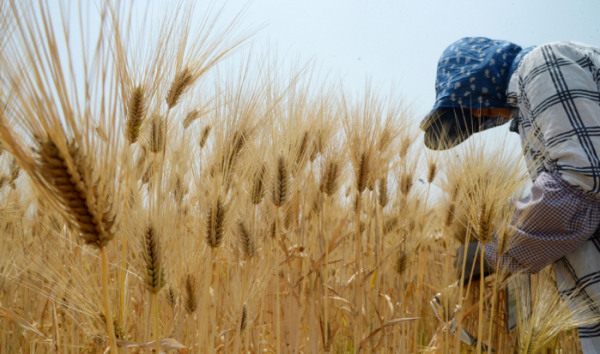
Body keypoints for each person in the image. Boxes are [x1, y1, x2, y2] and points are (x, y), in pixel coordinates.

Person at [420, 37, 600, 353]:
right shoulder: (532, 95)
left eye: (472, 109)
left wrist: (496, 252)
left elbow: (582, 178)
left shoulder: (544, 63)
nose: (482, 117)